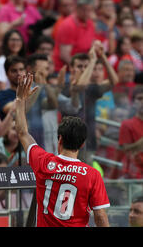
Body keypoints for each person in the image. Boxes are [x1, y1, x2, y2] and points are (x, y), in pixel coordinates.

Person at [14, 72, 110, 227]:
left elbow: (22, 132)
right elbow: (100, 216)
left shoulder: (43, 161)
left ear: (59, 139)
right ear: (82, 144)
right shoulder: (93, 175)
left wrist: (20, 100)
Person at [118, 86, 143, 179]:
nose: (142, 102)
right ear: (133, 103)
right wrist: (139, 144)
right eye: (140, 98)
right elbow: (125, 149)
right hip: (134, 176)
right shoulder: (127, 124)